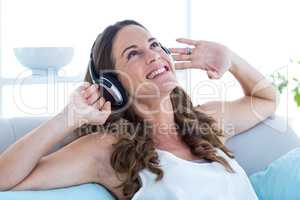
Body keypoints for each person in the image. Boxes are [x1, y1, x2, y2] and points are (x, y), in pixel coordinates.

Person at [0, 20, 277, 200]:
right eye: (133, 53)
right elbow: (4, 180)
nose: (155, 54)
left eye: (155, 44)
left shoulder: (205, 122)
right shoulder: (108, 150)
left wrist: (232, 59)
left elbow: (266, 99)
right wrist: (67, 118)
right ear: (113, 84)